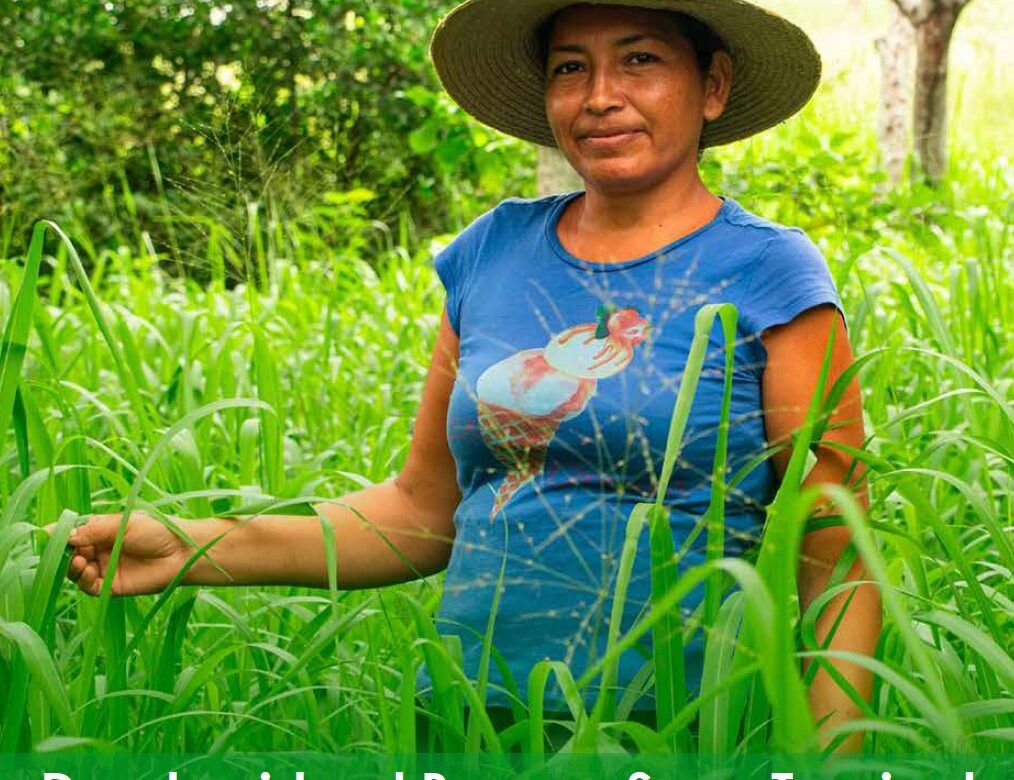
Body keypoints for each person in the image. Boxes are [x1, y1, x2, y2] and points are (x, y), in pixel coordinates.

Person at [57, 0, 881, 755]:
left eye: (639, 62)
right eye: (569, 67)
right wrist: (192, 545)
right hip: (462, 725)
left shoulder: (769, 272)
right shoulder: (490, 254)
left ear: (713, 86)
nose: (600, 96)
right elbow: (420, 513)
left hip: (676, 734)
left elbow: (838, 550)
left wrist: (832, 761)